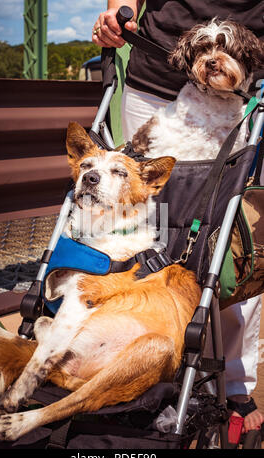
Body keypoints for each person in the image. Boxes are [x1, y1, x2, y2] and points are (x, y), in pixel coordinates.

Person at [92, 0, 264, 433]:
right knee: (139, 230)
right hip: (153, 71)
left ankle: (234, 381)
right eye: (207, 54)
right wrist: (121, 12)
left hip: (247, 100)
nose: (213, 60)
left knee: (232, 239)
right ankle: (131, 352)